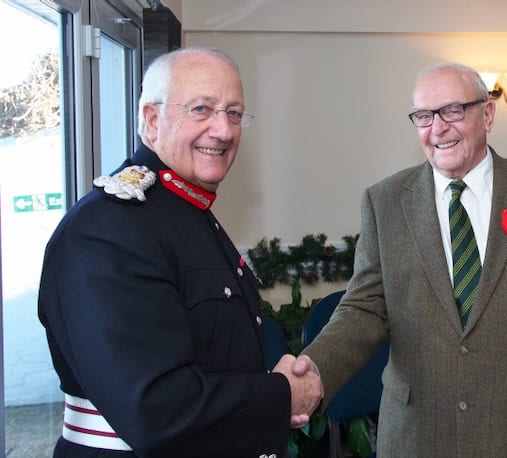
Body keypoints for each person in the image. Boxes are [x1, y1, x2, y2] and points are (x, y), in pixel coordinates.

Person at [298, 63, 507, 457]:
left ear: (488, 114)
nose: (437, 127)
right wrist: (311, 372)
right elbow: (363, 309)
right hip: (416, 435)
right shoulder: (384, 202)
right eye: (424, 116)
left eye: (453, 110)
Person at [38, 47, 323, 458]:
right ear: (152, 121)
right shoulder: (107, 230)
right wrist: (281, 396)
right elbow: (156, 411)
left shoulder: (187, 214)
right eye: (201, 110)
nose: (223, 130)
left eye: (234, 113)